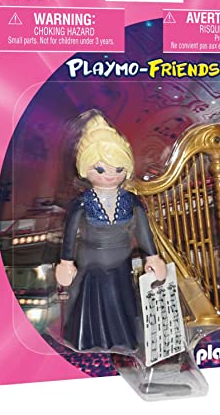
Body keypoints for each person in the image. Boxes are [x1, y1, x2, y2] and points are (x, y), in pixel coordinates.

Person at [55, 113, 167, 352]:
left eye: (118, 168)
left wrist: (153, 256)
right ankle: (87, 339)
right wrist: (66, 262)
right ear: (85, 169)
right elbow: (70, 234)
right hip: (91, 263)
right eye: (100, 168)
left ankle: (123, 339)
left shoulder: (132, 201)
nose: (111, 175)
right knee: (90, 302)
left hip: (121, 262)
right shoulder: (82, 203)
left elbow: (143, 230)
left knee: (121, 299)